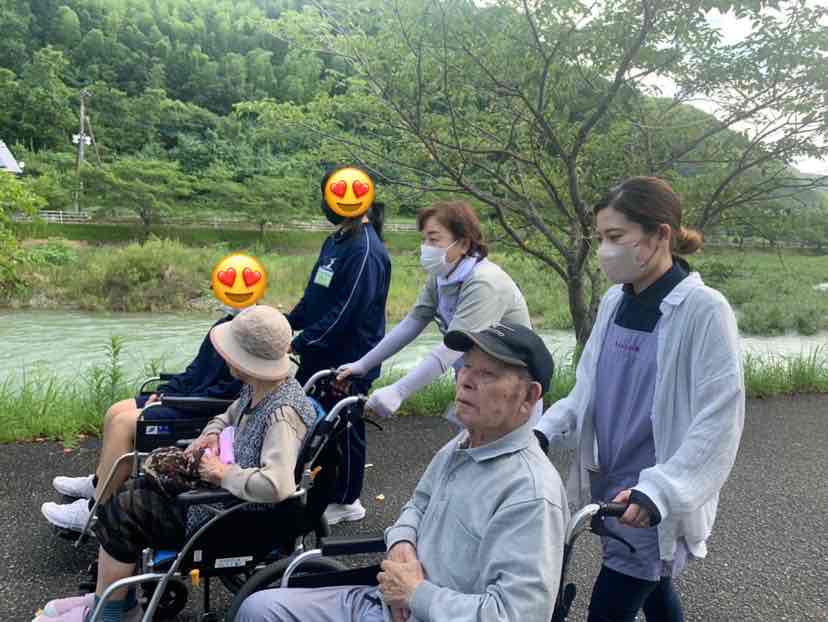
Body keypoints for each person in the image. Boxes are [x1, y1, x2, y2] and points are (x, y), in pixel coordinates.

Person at [236, 322, 569, 622]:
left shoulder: (530, 494)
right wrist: (402, 543)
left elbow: (515, 614)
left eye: (488, 374)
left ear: (529, 396)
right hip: (387, 599)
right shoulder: (463, 444)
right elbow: (417, 505)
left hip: (422, 608)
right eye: (466, 366)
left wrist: (416, 594)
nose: (465, 380)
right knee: (259, 609)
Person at [534, 177, 745, 622]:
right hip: (612, 483)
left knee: (612, 605)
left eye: (616, 237)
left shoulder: (705, 310)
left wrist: (660, 490)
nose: (604, 250)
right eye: (600, 238)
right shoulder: (615, 301)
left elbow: (720, 420)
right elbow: (587, 389)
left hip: (653, 493)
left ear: (660, 235)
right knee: (655, 586)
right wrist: (543, 431)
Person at [34, 305, 318, 622]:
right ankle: (111, 598)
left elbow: (277, 485)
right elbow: (227, 415)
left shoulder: (282, 415)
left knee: (124, 513)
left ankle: (110, 611)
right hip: (223, 496)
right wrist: (211, 434)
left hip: (232, 513)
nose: (225, 358)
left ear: (245, 360)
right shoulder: (258, 388)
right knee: (135, 487)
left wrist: (221, 473)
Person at [42, 309, 243, 532]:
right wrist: (165, 392)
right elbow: (193, 372)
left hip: (201, 410)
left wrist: (172, 402)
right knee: (115, 411)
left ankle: (96, 513)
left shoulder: (248, 334)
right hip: (184, 398)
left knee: (123, 424)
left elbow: (228, 394)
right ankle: (99, 483)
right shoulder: (224, 324)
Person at [338, 200, 537, 427]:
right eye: (424, 239)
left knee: (498, 449)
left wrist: (399, 390)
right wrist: (363, 364)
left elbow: (452, 348)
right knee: (466, 447)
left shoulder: (484, 283)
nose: (426, 247)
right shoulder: (442, 276)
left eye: (433, 239)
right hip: (478, 385)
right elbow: (413, 321)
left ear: (463, 243)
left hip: (513, 393)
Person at [287, 165, 391, 525]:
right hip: (320, 353)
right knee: (311, 421)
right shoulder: (336, 241)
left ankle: (347, 500)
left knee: (344, 426)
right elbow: (315, 296)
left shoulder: (365, 250)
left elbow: (348, 311)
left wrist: (302, 341)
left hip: (348, 358)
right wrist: (287, 323)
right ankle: (317, 487)